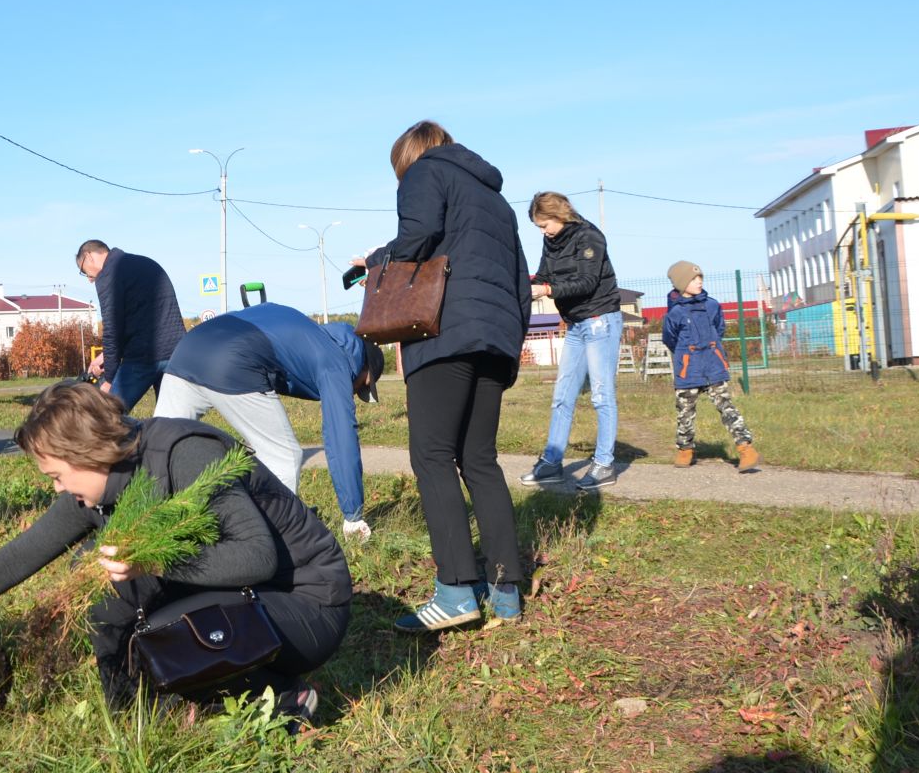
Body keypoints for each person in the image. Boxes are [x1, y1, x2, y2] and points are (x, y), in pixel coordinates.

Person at [0, 381, 351, 720]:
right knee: (115, 597)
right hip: (245, 601)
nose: (59, 489)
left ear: (88, 453)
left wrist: (151, 563)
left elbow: (258, 558)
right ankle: (139, 714)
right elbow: (24, 552)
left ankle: (279, 699)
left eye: (57, 475)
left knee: (158, 623)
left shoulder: (184, 454)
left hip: (304, 605)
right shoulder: (100, 483)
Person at [356, 120, 531, 632]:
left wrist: (374, 261)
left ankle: (455, 591)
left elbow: (416, 239)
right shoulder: (496, 201)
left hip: (445, 332)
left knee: (431, 456)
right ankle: (504, 593)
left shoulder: (424, 173)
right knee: (479, 460)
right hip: (496, 336)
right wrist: (509, 341)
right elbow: (521, 281)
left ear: (409, 157)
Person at [154, 301, 383, 543]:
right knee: (284, 457)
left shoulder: (306, 332)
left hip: (187, 350)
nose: (353, 392)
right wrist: (353, 514)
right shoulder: (335, 359)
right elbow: (341, 436)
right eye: (362, 386)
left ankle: (140, 527)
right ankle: (270, 542)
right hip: (231, 359)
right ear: (362, 365)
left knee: (160, 451)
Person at [520, 191, 624, 490]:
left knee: (601, 395)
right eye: (539, 227)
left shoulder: (590, 237)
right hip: (576, 325)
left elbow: (587, 282)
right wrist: (526, 286)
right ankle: (551, 463)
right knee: (562, 395)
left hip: (600, 320)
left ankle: (604, 464)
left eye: (545, 224)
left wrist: (548, 291)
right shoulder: (551, 241)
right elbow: (542, 275)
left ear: (559, 214)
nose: (543, 231)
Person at [662, 261, 759, 471]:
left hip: (714, 366)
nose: (699, 282)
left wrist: (711, 349)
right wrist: (686, 355)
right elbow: (670, 339)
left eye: (700, 278)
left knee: (727, 407)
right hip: (688, 370)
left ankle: (745, 448)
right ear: (681, 284)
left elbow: (719, 328)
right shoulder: (675, 313)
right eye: (693, 279)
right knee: (685, 412)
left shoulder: (713, 305)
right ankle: (685, 450)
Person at [75, 240, 185, 409]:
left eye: (84, 272)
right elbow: (139, 319)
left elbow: (112, 329)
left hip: (143, 356)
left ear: (89, 256)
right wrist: (105, 356)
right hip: (175, 353)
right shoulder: (144, 263)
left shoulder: (108, 274)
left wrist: (109, 380)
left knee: (108, 417)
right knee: (171, 422)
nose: (90, 279)